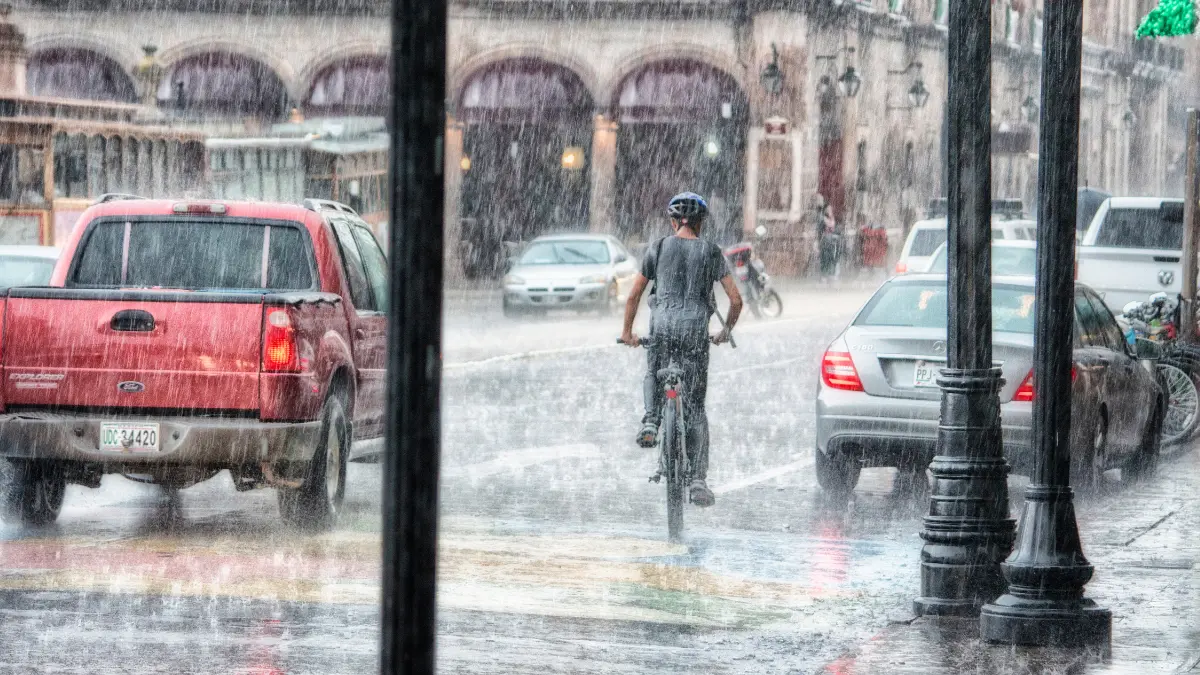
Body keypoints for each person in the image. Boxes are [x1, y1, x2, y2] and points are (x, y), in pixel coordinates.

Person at [620, 192, 743, 508]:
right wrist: (725, 331)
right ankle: (699, 480)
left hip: (662, 328)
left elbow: (634, 295)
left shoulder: (658, 248)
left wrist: (627, 332)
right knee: (696, 408)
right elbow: (736, 300)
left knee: (653, 370)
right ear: (701, 223)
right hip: (695, 334)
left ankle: (650, 420)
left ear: (673, 221)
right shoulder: (711, 252)